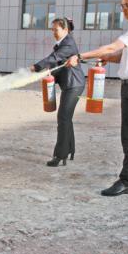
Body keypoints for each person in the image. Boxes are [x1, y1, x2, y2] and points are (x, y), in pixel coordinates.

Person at [66, 0, 128, 197]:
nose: (123, 10)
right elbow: (125, 55)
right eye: (121, 5)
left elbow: (111, 47)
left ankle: (127, 181)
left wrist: (80, 57)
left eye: (127, 5)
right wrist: (110, 58)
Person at [30, 18, 85, 167]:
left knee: (63, 118)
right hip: (70, 84)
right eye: (52, 30)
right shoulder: (62, 43)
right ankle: (70, 149)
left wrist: (37, 66)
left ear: (65, 30)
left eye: (56, 30)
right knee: (66, 118)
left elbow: (54, 58)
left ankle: (60, 155)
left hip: (74, 85)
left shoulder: (68, 43)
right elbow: (58, 63)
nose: (53, 32)